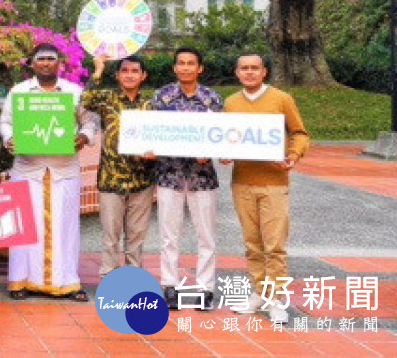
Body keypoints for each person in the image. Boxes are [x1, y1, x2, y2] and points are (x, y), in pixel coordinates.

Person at [0, 43, 99, 301]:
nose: (45, 63)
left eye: (50, 59)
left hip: (63, 170)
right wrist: (10, 138)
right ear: (32, 63)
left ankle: (67, 282)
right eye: (40, 59)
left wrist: (83, 136)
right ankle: (20, 281)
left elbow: (89, 121)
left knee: (66, 227)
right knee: (25, 226)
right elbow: (6, 123)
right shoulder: (19, 92)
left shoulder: (74, 92)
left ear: (59, 63)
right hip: (27, 169)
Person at [223, 53, 309, 325]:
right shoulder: (231, 103)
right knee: (252, 243)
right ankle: (260, 293)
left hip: (273, 182)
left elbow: (299, 132)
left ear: (264, 72)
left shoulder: (281, 99)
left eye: (254, 68)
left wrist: (293, 155)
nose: (249, 72)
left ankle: (276, 299)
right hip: (242, 181)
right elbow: (226, 137)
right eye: (244, 68)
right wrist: (223, 153)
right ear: (237, 73)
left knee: (274, 245)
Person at [151, 47, 223, 310]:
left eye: (191, 63)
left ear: (200, 68)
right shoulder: (161, 97)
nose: (185, 68)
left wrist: (211, 152)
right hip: (169, 175)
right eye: (180, 63)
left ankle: (205, 289)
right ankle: (170, 286)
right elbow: (152, 133)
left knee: (206, 236)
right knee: (169, 235)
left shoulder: (212, 99)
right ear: (174, 68)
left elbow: (220, 135)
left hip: (202, 178)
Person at [81, 54, 156, 279]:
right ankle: (109, 279)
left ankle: (133, 279)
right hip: (111, 180)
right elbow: (84, 101)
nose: (130, 75)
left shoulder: (151, 105)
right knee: (110, 236)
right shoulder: (106, 98)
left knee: (136, 237)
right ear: (117, 75)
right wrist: (98, 71)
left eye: (135, 71)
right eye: (125, 71)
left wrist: (156, 152)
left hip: (142, 179)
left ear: (143, 76)